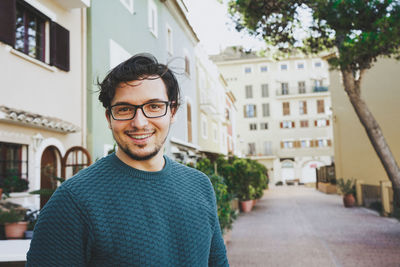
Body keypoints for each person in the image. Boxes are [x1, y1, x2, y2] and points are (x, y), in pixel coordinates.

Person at [26, 53, 229, 266]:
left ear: (173, 111)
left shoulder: (200, 185)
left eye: (154, 106)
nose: (139, 122)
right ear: (109, 118)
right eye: (124, 109)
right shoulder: (73, 201)